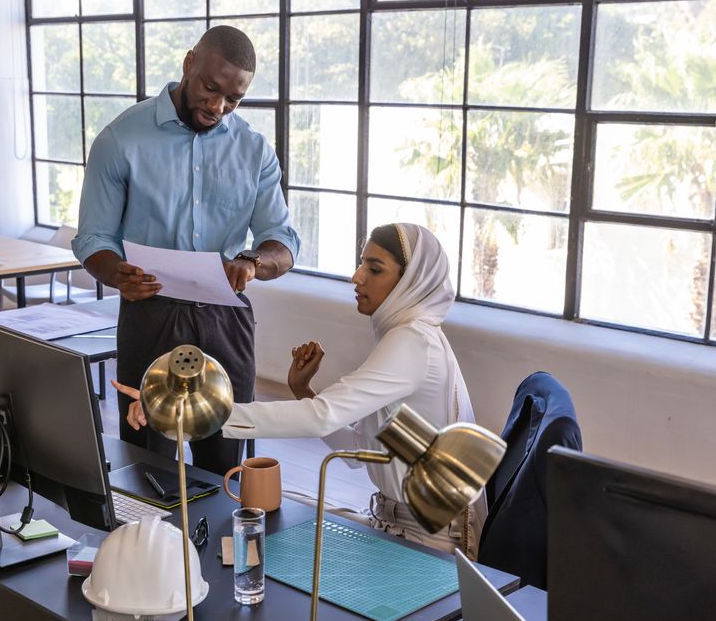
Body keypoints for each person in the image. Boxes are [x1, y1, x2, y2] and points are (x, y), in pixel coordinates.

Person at [115, 223, 485, 556]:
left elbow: (321, 419)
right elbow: (359, 452)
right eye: (361, 263)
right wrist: (302, 389)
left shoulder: (411, 342)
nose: (356, 277)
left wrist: (191, 410)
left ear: (411, 280)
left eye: (374, 269)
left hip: (428, 541)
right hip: (399, 522)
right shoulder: (413, 337)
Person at [73, 25, 300, 475]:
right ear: (189, 62)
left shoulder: (254, 150)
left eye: (232, 100)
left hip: (225, 317)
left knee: (224, 463)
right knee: (145, 460)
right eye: (210, 89)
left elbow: (283, 241)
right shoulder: (121, 140)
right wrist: (119, 274)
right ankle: (150, 544)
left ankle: (217, 545)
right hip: (149, 314)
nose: (217, 107)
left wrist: (252, 263)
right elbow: (93, 239)